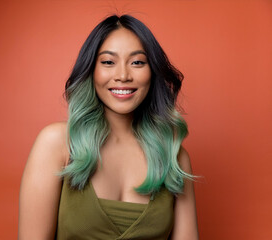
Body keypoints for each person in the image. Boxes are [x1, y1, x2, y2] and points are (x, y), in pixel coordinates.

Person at [18, 14, 199, 240]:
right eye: (108, 62)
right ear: (91, 70)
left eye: (137, 62)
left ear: (152, 72)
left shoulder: (173, 155)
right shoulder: (57, 143)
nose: (123, 75)